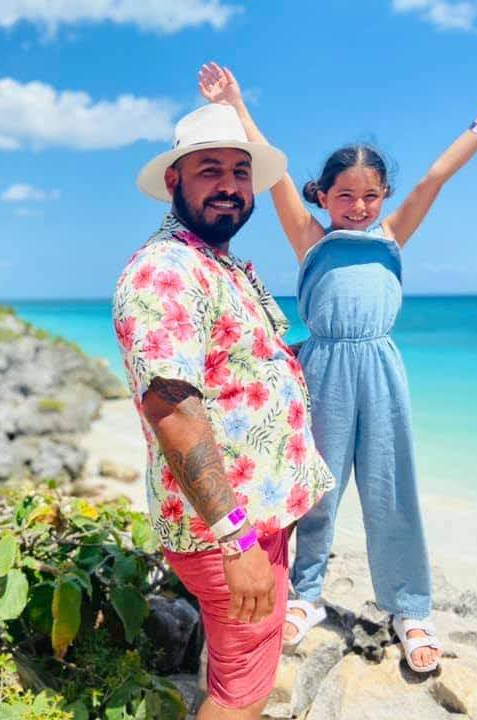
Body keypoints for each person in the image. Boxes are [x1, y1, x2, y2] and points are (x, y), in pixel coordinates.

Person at [197, 61, 477, 673]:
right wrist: (236, 104)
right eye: (345, 196)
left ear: (382, 198)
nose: (357, 206)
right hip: (322, 369)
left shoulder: (390, 237)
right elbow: (269, 161)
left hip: (381, 370)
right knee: (316, 491)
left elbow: (436, 177)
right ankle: (305, 595)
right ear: (324, 196)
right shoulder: (310, 238)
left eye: (369, 196)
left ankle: (409, 606)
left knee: (390, 491)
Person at [112, 103, 335, 718]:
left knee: (237, 675)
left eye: (241, 172)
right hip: (231, 531)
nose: (230, 186)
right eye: (210, 170)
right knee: (242, 696)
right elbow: (172, 409)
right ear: (174, 181)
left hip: (253, 520)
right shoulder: (167, 271)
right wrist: (237, 544)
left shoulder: (214, 262)